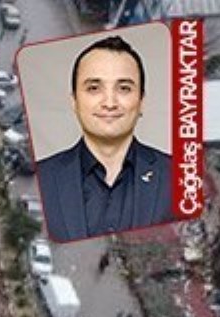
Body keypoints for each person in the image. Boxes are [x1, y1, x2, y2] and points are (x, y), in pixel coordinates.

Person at [34, 35, 174, 242]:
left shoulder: (179, 177)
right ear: (74, 101)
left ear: (141, 101)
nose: (109, 103)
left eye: (124, 88)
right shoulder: (40, 179)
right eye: (93, 88)